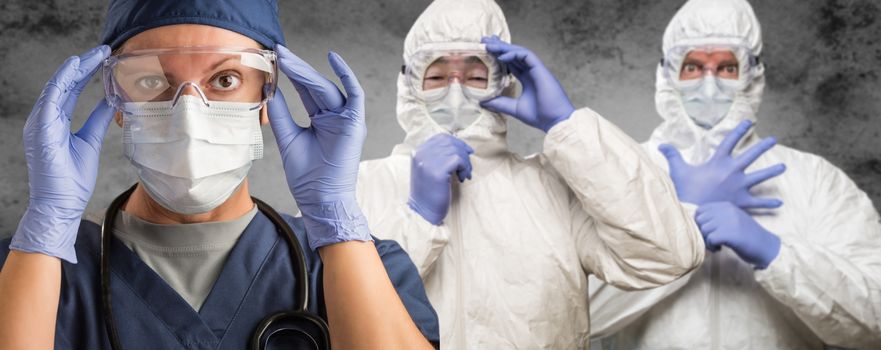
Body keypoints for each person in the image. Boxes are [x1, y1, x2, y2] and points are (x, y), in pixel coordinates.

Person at [0, 0, 440, 348]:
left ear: (267, 96)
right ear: (118, 103)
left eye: (225, 79)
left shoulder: (367, 265)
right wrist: (48, 222)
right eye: (153, 82)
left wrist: (336, 219)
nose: (189, 113)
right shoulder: (27, 269)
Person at [355, 0, 706, 348]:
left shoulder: (554, 188)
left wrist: (567, 126)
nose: (456, 92)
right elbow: (335, 316)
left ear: (505, 83)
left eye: (477, 76)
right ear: (408, 83)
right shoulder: (358, 188)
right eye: (435, 76)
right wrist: (416, 219)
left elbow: (667, 256)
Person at [588, 0, 881, 348]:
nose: (708, 85)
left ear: (753, 75)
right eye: (693, 66)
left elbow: (873, 323)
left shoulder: (813, 180)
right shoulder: (617, 172)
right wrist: (682, 226)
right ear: (666, 74)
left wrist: (776, 253)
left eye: (726, 67)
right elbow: (573, 316)